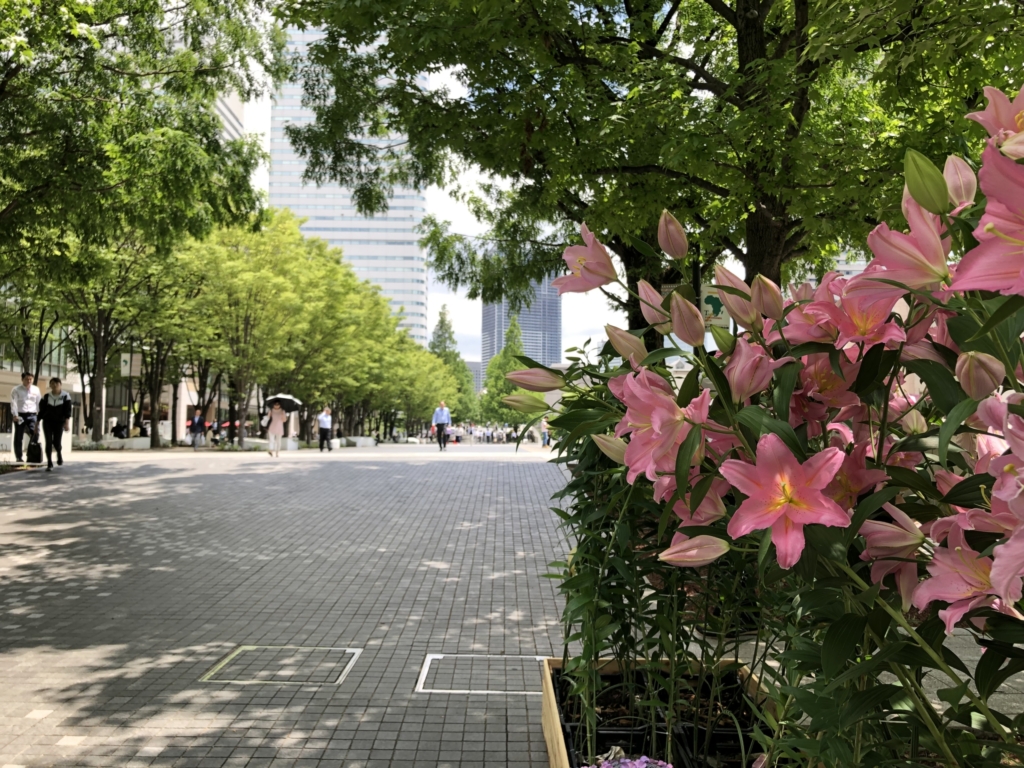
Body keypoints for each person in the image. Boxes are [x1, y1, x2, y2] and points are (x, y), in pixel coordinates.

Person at [38, 377, 71, 471]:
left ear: (60, 385)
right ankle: (49, 463)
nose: (55, 385)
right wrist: (37, 423)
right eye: (52, 383)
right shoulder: (46, 397)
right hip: (47, 422)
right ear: (50, 385)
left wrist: (66, 423)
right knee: (48, 442)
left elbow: (67, 411)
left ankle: (59, 453)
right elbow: (41, 411)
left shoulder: (66, 396)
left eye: (57, 383)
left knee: (57, 442)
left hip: (59, 422)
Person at [10, 372, 41, 464]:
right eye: (27, 379)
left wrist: (39, 416)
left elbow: (39, 403)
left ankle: (31, 454)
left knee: (35, 433)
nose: (29, 381)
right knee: (18, 436)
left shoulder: (36, 389)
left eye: (30, 379)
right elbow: (14, 403)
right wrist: (15, 415)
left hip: (33, 415)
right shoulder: (16, 389)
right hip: (20, 415)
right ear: (22, 379)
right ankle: (19, 457)